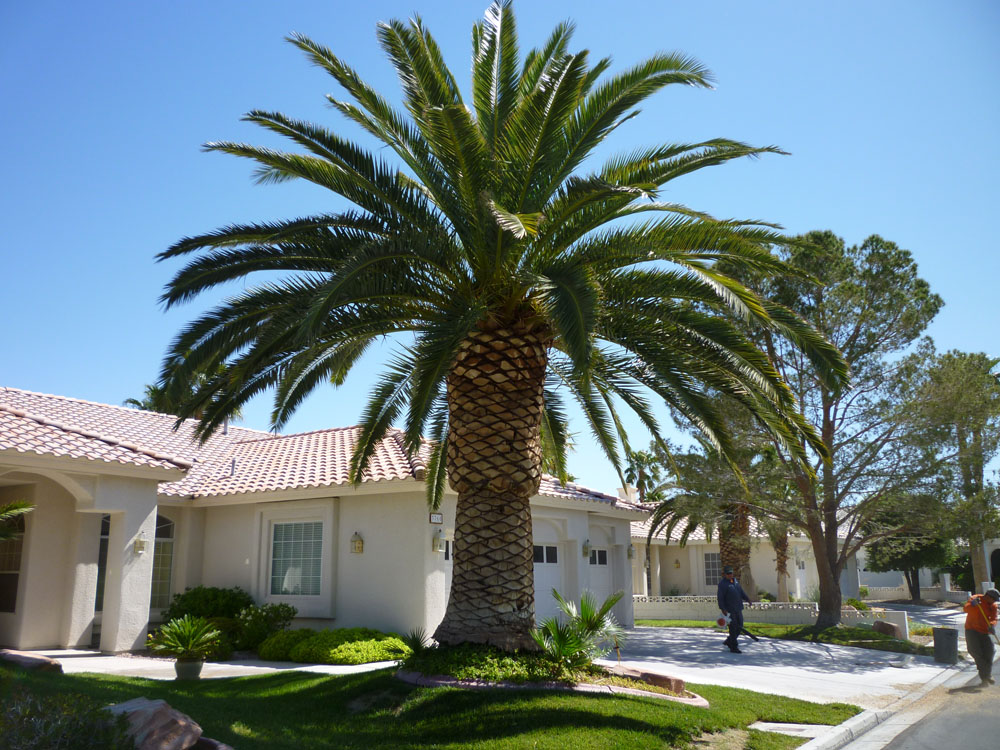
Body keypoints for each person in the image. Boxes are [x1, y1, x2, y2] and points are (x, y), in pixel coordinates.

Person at [963, 587, 999, 686]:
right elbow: (965, 609)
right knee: (976, 652)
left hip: (984, 631)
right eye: (994, 599)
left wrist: (991, 625)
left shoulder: (993, 606)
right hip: (971, 630)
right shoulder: (975, 599)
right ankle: (986, 677)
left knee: (990, 652)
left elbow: (994, 618)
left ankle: (986, 675)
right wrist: (973, 605)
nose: (994, 602)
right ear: (987, 596)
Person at [717, 565, 752, 653]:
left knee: (740, 627)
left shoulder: (735, 581)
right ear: (724, 574)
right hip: (730, 610)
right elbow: (720, 598)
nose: (730, 575)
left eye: (731, 573)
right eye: (728, 573)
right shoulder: (722, 584)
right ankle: (734, 647)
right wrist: (723, 609)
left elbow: (741, 592)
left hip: (738, 608)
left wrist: (747, 599)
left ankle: (729, 641)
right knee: (733, 628)